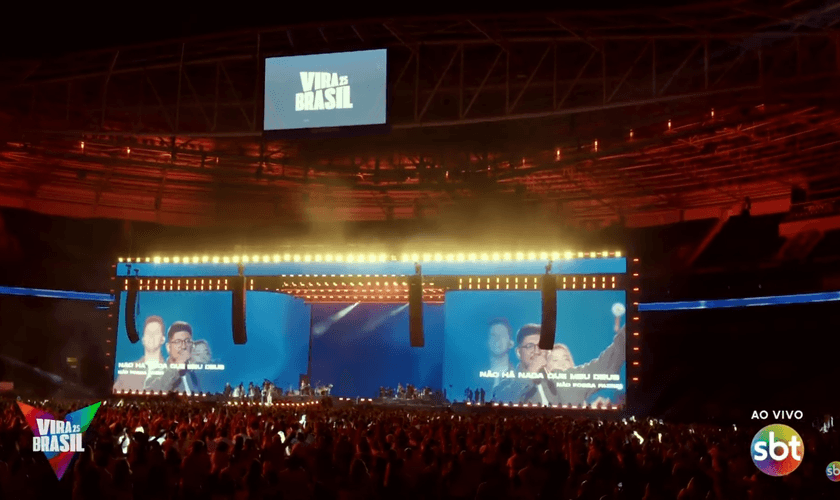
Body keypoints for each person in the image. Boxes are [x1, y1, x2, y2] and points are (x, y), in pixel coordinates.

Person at [492, 324, 548, 403]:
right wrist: (530, 373)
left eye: (541, 346)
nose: (536, 351)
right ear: (519, 352)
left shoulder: (555, 381)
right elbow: (500, 400)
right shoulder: (507, 382)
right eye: (530, 346)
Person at [144, 322, 202, 394]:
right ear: (168, 347)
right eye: (178, 342)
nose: (184, 346)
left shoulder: (195, 375)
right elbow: (155, 393)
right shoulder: (156, 373)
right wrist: (177, 367)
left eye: (187, 341)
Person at [114, 316, 166, 392]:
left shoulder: (172, 375)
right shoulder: (127, 372)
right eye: (148, 332)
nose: (151, 336)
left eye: (156, 333)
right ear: (143, 339)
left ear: (162, 339)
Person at [486, 318, 516, 390]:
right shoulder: (474, 378)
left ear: (511, 343)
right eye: (493, 335)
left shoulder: (519, 377)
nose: (497, 340)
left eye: (502, 335)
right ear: (487, 342)